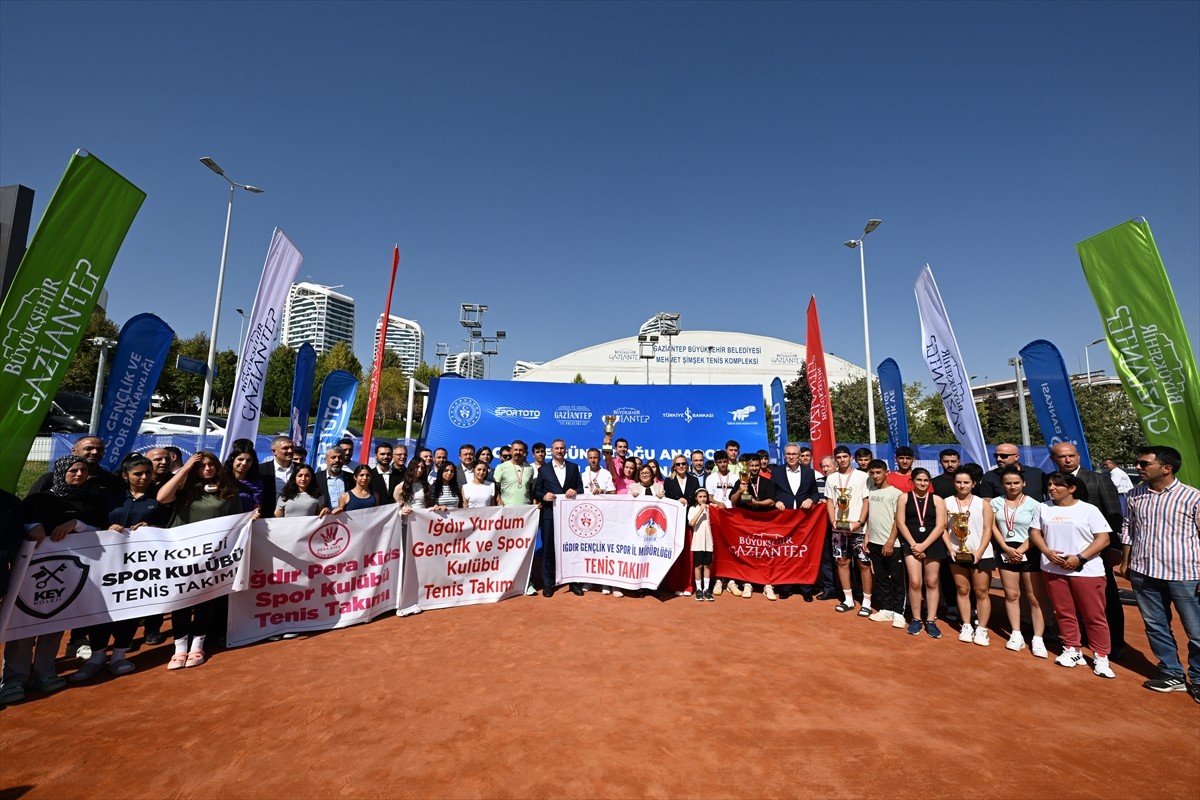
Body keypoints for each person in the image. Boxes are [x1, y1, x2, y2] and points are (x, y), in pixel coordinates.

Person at [3, 457, 105, 699]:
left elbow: (103, 531)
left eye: (83, 470)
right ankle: (13, 679)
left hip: (71, 576)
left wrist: (78, 524)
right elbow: (15, 525)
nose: (79, 474)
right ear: (61, 472)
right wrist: (32, 525)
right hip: (29, 575)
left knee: (54, 624)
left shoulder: (92, 502)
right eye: (73, 470)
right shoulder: (38, 499)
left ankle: (44, 673)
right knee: (24, 623)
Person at [70, 456, 171, 682]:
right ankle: (96, 657)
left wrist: (152, 527)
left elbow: (170, 527)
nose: (144, 477)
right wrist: (108, 528)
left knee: (131, 607)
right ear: (126, 476)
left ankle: (119, 655)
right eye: (138, 474)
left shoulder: (160, 498)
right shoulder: (110, 497)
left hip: (141, 566)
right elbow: (93, 524)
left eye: (147, 472)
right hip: (106, 564)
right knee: (101, 608)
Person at [1117, 446, 1200, 701]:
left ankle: (1198, 678)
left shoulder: (1192, 497)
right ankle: (1171, 673)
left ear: (1167, 468)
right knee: (1155, 626)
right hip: (1144, 572)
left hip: (1185, 574)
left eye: (1144, 464)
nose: (1138, 467)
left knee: (1196, 630)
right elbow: (1129, 528)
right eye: (1138, 463)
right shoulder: (1134, 495)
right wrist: (1126, 562)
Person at [156, 451, 242, 669]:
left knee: (206, 598)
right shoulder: (184, 489)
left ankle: (197, 644)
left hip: (213, 555)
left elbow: (237, 522)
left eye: (211, 464)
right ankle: (179, 646)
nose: (207, 469)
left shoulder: (228, 492)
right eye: (201, 465)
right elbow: (161, 497)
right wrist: (185, 469)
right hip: (181, 554)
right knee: (182, 599)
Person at [1030, 471, 1115, 679]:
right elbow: (1035, 533)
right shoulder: (1042, 508)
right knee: (1064, 612)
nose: (1052, 488)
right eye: (1050, 484)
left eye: (1057, 485)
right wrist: (1047, 552)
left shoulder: (1089, 510)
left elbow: (1103, 539)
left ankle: (1101, 656)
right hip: (1052, 569)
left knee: (1094, 616)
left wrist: (1080, 558)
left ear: (1072, 488)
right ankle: (1072, 649)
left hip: (1087, 572)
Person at [1049, 442, 1125, 659]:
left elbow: (1114, 516)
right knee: (1067, 600)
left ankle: (1115, 643)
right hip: (1062, 552)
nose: (1067, 460)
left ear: (1078, 456)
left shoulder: (1099, 479)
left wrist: (1114, 548)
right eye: (1062, 457)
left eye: (1071, 455)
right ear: (1054, 459)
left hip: (1097, 551)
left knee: (1106, 599)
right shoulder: (1052, 481)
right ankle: (1076, 640)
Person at [990, 465, 1048, 657]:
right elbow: (993, 527)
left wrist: (1021, 550)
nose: (1012, 486)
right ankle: (1016, 634)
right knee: (1012, 594)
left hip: (1029, 551)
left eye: (1016, 483)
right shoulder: (996, 503)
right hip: (1006, 551)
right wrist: (1006, 548)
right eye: (1008, 483)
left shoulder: (1035, 504)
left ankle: (1038, 638)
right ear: (1002, 484)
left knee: (1034, 597)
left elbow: (1036, 531)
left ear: (1024, 483)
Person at [947, 466, 997, 646]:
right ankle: (966, 625)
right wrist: (951, 549)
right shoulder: (947, 503)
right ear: (954, 483)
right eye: (959, 482)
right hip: (956, 554)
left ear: (973, 484)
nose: (962, 485)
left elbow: (988, 529)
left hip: (980, 554)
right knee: (962, 590)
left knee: (981, 592)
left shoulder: (983, 504)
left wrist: (979, 551)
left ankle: (982, 629)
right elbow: (943, 530)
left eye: (966, 482)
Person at [896, 468, 948, 638]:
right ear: (912, 481)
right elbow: (901, 523)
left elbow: (941, 525)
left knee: (932, 581)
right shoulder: (904, 498)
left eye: (926, 480)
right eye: (919, 480)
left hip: (932, 542)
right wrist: (914, 545)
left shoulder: (937, 500)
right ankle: (917, 619)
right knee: (915, 582)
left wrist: (923, 545)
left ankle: (931, 620)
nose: (923, 483)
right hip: (911, 543)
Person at [826, 445, 872, 615]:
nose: (842, 459)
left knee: (863, 564)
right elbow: (830, 501)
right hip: (839, 528)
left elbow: (867, 501)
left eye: (845, 456)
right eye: (839, 457)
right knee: (842, 562)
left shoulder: (863, 476)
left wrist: (860, 522)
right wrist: (832, 521)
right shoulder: (832, 478)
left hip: (858, 528)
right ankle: (848, 599)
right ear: (835, 459)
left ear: (851, 457)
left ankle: (867, 601)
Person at [772, 444, 822, 601]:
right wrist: (776, 501)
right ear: (784, 455)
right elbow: (772, 492)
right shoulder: (777, 471)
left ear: (800, 455)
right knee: (786, 553)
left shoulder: (809, 472)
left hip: (804, 520)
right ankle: (786, 587)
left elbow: (815, 493)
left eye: (794, 454)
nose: (791, 456)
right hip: (784, 520)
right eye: (788, 454)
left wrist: (810, 499)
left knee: (803, 554)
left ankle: (806, 588)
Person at [535, 439, 583, 597]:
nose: (559, 451)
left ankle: (574, 583)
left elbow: (581, 488)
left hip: (570, 518)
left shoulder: (574, 468)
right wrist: (544, 496)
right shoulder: (544, 470)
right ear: (552, 450)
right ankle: (549, 584)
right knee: (548, 549)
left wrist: (575, 491)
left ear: (566, 450)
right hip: (550, 516)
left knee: (571, 550)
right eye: (556, 448)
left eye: (562, 448)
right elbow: (536, 492)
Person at [865, 460, 906, 629]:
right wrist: (867, 536)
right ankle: (887, 609)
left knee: (896, 579)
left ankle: (899, 613)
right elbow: (871, 517)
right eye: (872, 473)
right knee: (881, 577)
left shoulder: (896, 493)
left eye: (878, 472)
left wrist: (890, 541)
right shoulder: (872, 491)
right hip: (874, 542)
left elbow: (898, 519)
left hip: (892, 544)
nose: (875, 476)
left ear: (886, 472)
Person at [730, 453, 776, 599]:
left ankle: (767, 585)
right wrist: (740, 489)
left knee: (765, 553)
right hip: (746, 524)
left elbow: (772, 501)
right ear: (747, 466)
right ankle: (748, 583)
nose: (754, 468)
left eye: (757, 465)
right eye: (752, 466)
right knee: (748, 553)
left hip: (764, 523)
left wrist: (756, 503)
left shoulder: (767, 482)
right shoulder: (741, 480)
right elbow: (733, 500)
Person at [663, 455, 700, 597]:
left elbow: (697, 501)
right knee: (676, 556)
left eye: (683, 463)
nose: (681, 466)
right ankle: (675, 585)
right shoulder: (669, 481)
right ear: (674, 466)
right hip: (674, 524)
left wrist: (687, 503)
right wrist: (678, 501)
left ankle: (688, 585)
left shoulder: (694, 480)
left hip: (689, 523)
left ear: (687, 464)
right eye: (678, 464)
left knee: (689, 557)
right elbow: (666, 501)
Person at [814, 455, 840, 601]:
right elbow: (815, 498)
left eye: (828, 466)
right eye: (823, 466)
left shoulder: (843, 480)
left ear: (836, 466)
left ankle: (853, 590)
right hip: (824, 527)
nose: (825, 469)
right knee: (827, 557)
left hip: (844, 526)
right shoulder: (818, 482)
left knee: (846, 560)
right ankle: (829, 588)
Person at [257, 435, 295, 517]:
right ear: (274, 451)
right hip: (267, 517)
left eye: (292, 447)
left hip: (295, 518)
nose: (290, 451)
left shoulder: (301, 469)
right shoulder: (261, 470)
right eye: (285, 448)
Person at [690, 488, 715, 601]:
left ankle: (706, 589)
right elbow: (691, 523)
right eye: (700, 497)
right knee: (698, 566)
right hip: (698, 541)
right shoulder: (693, 509)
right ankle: (699, 589)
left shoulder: (711, 509)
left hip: (709, 541)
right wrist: (700, 510)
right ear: (696, 498)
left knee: (707, 566)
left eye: (704, 496)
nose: (703, 499)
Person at [224, 440, 263, 513]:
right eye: (240, 459)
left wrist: (255, 514)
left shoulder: (256, 484)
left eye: (248, 460)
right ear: (233, 459)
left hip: (244, 521)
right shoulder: (221, 479)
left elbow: (256, 507)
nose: (244, 463)